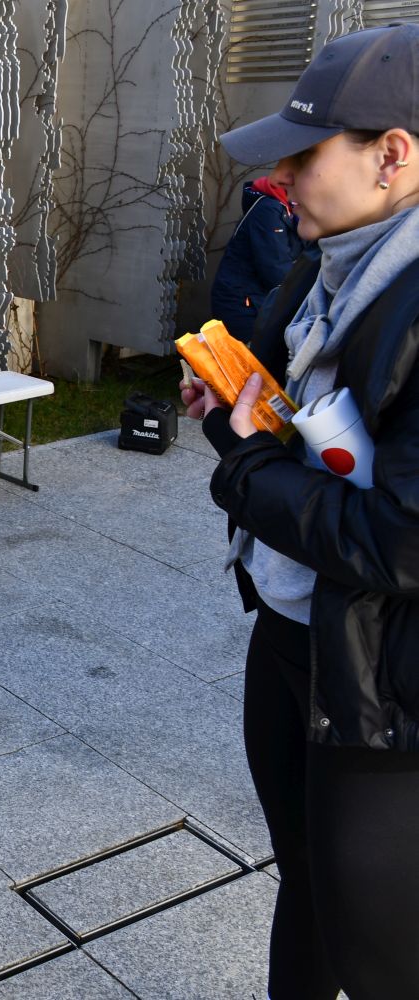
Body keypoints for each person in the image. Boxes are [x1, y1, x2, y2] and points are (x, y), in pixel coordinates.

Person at [183, 23, 419, 999]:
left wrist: (244, 462)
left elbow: (403, 541)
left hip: (381, 689)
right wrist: (232, 414)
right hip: (292, 628)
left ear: (392, 155)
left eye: (305, 154)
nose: (280, 177)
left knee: (379, 956)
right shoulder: (325, 261)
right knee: (306, 885)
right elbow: (288, 435)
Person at [209, 174, 310, 341]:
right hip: (244, 305)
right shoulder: (269, 210)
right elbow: (275, 270)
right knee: (249, 356)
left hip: (256, 302)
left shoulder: (289, 210)